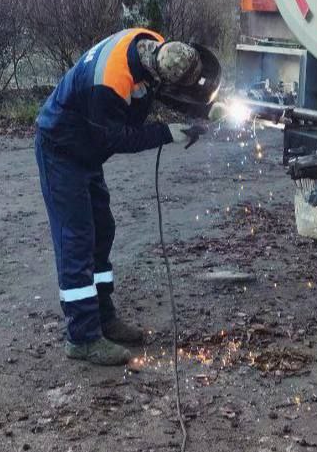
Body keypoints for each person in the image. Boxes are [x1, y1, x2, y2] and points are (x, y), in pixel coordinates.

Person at [34, 28, 207, 366]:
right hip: (62, 148)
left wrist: (197, 112)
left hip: (85, 147)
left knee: (103, 229)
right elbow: (116, 139)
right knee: (77, 237)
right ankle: (82, 338)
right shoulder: (109, 83)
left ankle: (103, 316)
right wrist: (168, 133)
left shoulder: (151, 43)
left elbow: (157, 93)